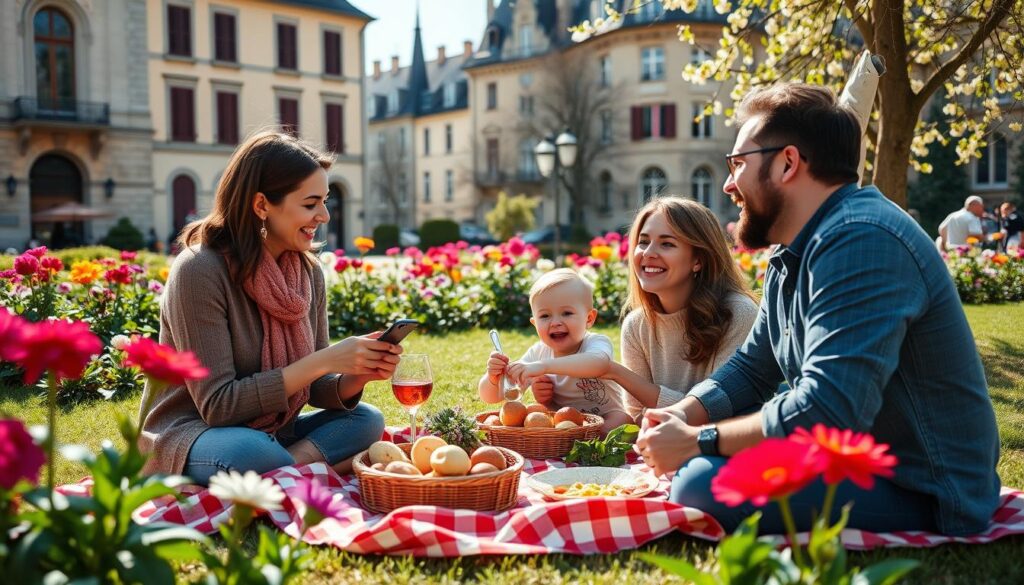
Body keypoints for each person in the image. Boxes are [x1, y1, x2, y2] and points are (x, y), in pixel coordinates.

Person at [636, 83, 1000, 536]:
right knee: (701, 469)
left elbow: (829, 407)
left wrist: (698, 440)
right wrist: (685, 413)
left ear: (788, 162)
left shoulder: (863, 238)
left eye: (738, 164)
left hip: (923, 487)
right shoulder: (795, 253)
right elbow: (752, 368)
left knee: (701, 484)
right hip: (853, 464)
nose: (729, 184)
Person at [138, 130, 402, 484]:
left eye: (324, 201)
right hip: (193, 433)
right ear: (261, 205)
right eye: (310, 204)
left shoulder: (307, 272)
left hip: (275, 430)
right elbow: (219, 406)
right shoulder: (199, 270)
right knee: (250, 452)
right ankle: (292, 470)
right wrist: (324, 360)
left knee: (366, 420)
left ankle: (284, 471)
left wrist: (356, 375)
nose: (323, 215)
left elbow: (313, 386)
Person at [600, 197, 757, 421]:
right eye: (643, 242)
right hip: (660, 446)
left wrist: (615, 372)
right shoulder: (636, 325)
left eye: (667, 244)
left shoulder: (739, 314)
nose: (648, 253)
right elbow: (637, 417)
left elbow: (720, 412)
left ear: (698, 260)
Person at [478, 268, 632, 434]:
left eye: (566, 313)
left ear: (589, 318)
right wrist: (494, 379)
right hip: (560, 425)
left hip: (607, 415)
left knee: (621, 422)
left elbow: (599, 363)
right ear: (534, 323)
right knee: (534, 420)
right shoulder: (537, 354)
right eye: (545, 316)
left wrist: (543, 367)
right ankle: (571, 443)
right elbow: (492, 397)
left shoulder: (595, 343)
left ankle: (587, 442)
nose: (555, 322)